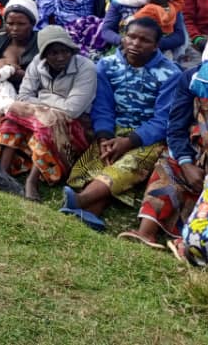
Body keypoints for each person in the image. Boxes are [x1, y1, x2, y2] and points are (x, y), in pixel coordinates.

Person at [60, 18, 182, 231]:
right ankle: (91, 213)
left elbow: (164, 119)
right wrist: (105, 136)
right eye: (131, 36)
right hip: (113, 131)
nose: (135, 43)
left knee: (129, 164)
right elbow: (103, 106)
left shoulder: (171, 74)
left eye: (144, 40)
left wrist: (130, 141)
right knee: (103, 160)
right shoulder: (107, 65)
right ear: (123, 38)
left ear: (156, 45)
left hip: (148, 136)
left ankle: (80, 201)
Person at [122, 23, 208, 250]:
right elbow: (176, 125)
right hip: (197, 154)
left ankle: (197, 241)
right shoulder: (194, 78)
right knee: (167, 167)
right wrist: (185, 163)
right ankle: (146, 232)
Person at [0, 25, 97, 200]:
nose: (60, 57)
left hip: (75, 128)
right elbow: (23, 96)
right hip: (40, 115)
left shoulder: (86, 68)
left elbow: (72, 109)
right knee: (13, 116)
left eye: (65, 51)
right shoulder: (37, 63)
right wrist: (45, 106)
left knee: (49, 123)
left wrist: (42, 99)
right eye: (53, 53)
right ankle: (1, 173)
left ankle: (32, 181)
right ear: (44, 55)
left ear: (71, 50)